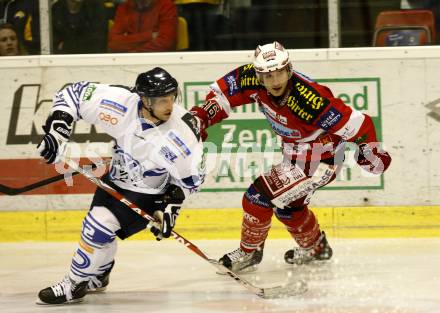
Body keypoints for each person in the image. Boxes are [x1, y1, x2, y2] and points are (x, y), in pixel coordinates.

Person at [190, 41, 392, 272]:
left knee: (257, 197)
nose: (275, 81)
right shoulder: (251, 79)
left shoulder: (310, 100)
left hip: (321, 160)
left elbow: (359, 124)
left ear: (289, 70)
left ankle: (249, 253)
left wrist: (370, 154)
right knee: (288, 208)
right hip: (294, 154)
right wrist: (202, 116)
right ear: (258, 76)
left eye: (279, 74)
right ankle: (315, 247)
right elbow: (223, 96)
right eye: (268, 76)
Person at [36, 67, 205, 304]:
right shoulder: (120, 102)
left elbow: (193, 179)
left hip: (150, 193)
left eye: (171, 97)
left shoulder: (182, 133)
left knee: (97, 227)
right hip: (115, 178)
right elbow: (72, 95)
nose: (169, 104)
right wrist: (58, 132)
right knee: (101, 234)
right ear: (144, 99)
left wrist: (171, 207)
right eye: (161, 99)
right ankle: (99, 274)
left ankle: (73, 284)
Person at [108, 0, 177, 52]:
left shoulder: (167, 5)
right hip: (129, 59)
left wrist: (133, 51)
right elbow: (113, 43)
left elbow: (165, 44)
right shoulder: (124, 7)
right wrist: (148, 36)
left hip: (158, 60)